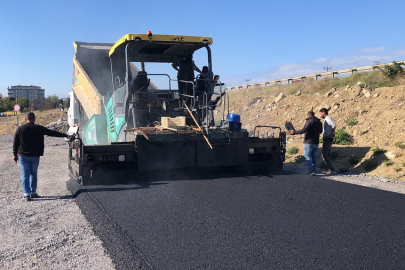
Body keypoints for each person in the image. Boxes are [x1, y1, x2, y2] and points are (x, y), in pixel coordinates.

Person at [13, 112, 70, 201]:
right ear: (34, 119)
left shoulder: (20, 129)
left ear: (25, 119)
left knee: (25, 174)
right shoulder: (39, 128)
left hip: (23, 156)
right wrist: (65, 135)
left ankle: (26, 194)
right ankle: (33, 192)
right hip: (35, 156)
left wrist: (14, 154)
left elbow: (15, 143)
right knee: (33, 174)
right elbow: (52, 133)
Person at [288, 111, 323, 175]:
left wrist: (294, 132)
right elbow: (320, 131)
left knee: (307, 156)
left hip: (309, 141)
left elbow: (304, 130)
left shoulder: (309, 121)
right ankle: (314, 170)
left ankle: (311, 171)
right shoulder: (319, 122)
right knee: (314, 156)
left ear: (308, 115)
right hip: (316, 141)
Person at [319, 108, 337, 174]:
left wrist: (332, 133)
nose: (320, 115)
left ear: (323, 112)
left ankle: (332, 170)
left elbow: (334, 125)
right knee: (327, 155)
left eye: (320, 113)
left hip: (327, 138)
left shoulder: (327, 119)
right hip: (328, 138)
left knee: (324, 155)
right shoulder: (327, 119)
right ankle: (328, 169)